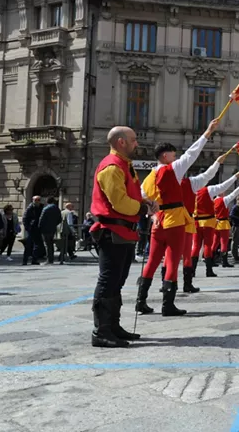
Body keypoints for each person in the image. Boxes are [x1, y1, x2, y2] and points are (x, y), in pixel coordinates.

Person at [135, 119, 219, 317]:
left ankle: (141, 301)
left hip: (158, 221)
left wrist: (153, 214)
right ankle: (168, 304)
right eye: (173, 155)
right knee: (172, 260)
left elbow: (142, 197)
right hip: (174, 220)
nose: (176, 158)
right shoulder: (172, 169)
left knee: (153, 261)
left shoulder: (149, 177)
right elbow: (192, 153)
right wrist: (207, 132)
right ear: (165, 156)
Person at [89, 125, 153, 348]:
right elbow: (119, 202)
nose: (137, 143)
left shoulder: (124, 165)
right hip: (112, 231)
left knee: (117, 281)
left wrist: (143, 203)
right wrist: (142, 208)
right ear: (121, 142)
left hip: (123, 232)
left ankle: (113, 326)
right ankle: (102, 331)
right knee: (108, 281)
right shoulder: (111, 166)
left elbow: (128, 198)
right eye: (134, 139)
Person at [158, 158, 226, 294]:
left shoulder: (162, 179)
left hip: (168, 219)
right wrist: (218, 162)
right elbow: (209, 175)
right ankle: (187, 284)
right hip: (187, 220)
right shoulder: (191, 184)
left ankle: (165, 285)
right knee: (188, 253)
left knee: (169, 254)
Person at [187, 168, 239, 284]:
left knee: (196, 246)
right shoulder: (209, 191)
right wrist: (236, 177)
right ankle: (209, 270)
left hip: (195, 222)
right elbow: (226, 188)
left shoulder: (191, 191)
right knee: (209, 245)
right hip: (210, 223)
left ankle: (192, 270)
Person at [212, 180, 239, 267]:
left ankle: (211, 260)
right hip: (223, 223)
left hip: (216, 223)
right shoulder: (223, 200)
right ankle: (224, 261)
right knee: (224, 243)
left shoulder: (213, 201)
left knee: (215, 242)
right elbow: (234, 194)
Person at [38, 197, 62, 264]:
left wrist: (39, 227)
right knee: (51, 244)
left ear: (47, 201)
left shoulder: (45, 208)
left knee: (47, 244)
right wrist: (54, 224)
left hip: (45, 229)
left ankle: (49, 260)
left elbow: (41, 219)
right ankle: (51, 259)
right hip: (53, 229)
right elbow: (60, 219)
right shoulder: (57, 208)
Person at [22, 196, 45, 265]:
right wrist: (27, 227)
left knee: (38, 245)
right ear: (33, 200)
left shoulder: (42, 207)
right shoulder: (30, 208)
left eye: (38, 200)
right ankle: (25, 260)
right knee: (28, 245)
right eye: (36, 200)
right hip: (31, 229)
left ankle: (34, 259)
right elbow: (25, 218)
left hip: (38, 228)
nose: (37, 201)